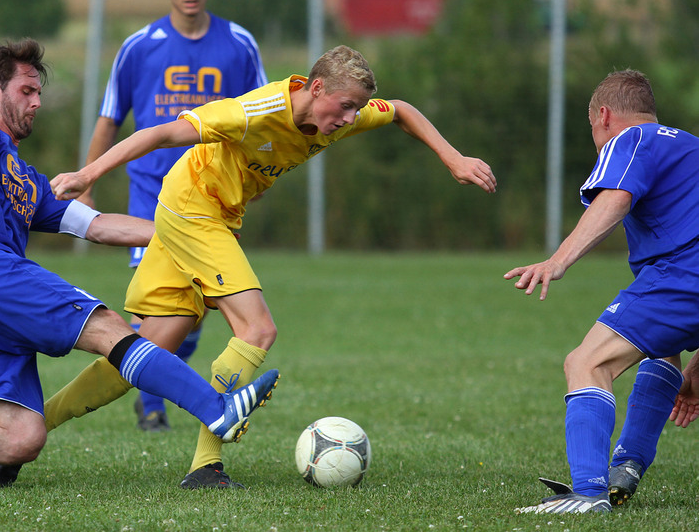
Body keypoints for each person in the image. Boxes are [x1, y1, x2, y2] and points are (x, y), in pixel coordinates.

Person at [49, 45, 497, 489]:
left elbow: (400, 110)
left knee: (148, 349)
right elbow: (161, 134)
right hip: (193, 210)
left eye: (356, 110)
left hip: (203, 213)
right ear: (316, 87)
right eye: (344, 107)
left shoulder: (338, 114)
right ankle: (206, 466)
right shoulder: (254, 111)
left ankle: (28, 429)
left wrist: (452, 157)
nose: (348, 119)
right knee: (257, 329)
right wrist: (88, 176)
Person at [0, 39, 279, 487]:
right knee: (111, 328)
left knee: (21, 438)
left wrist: (193, 232)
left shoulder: (27, 182)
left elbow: (99, 225)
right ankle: (215, 410)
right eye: (27, 90)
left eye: (39, 93)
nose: (38, 101)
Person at [53, 0, 267, 435]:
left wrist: (255, 180)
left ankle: (139, 377)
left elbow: (260, 119)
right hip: (152, 197)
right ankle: (149, 398)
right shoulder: (139, 47)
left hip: (214, 198)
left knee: (196, 313)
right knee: (169, 312)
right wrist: (87, 183)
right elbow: (110, 120)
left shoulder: (239, 44)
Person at [505, 69, 699, 514]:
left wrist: (557, 261)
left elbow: (615, 198)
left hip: (683, 272)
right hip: (683, 280)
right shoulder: (690, 146)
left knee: (586, 362)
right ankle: (626, 466)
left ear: (604, 116)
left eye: (593, 126)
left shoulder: (631, 141)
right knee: (662, 352)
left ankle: (589, 493)